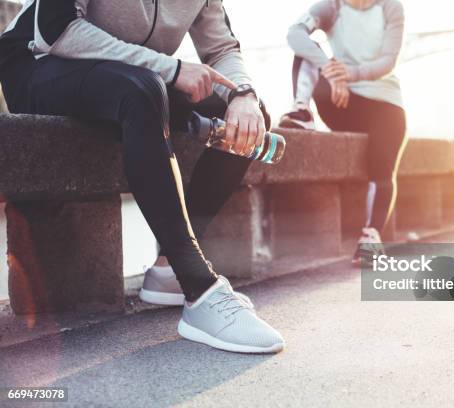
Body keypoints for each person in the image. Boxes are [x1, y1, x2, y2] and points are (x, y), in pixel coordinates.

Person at [0, 0, 284, 353]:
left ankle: (168, 270)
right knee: (144, 88)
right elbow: (55, 31)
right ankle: (199, 288)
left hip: (133, 77)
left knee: (247, 119)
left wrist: (244, 95)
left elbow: (222, 47)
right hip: (39, 65)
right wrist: (172, 68)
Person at [279, 0, 408, 263]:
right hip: (343, 101)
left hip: (385, 104)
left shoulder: (391, 7)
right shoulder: (332, 7)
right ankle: (301, 111)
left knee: (382, 166)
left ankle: (370, 238)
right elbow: (295, 33)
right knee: (305, 48)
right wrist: (329, 69)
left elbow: (388, 61)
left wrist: (348, 73)